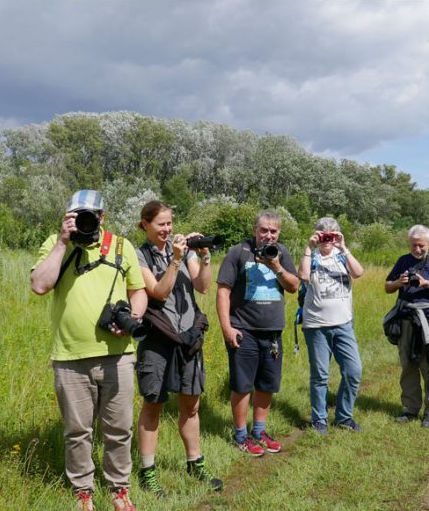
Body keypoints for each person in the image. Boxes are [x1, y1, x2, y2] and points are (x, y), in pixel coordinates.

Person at [30, 190, 147, 511]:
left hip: (119, 355)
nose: (84, 219)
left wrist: (133, 317)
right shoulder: (55, 243)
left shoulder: (122, 246)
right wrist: (61, 243)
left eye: (90, 214)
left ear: (102, 216)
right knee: (77, 431)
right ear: (67, 217)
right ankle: (83, 491)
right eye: (76, 214)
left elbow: (139, 292)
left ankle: (119, 489)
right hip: (69, 357)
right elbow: (40, 285)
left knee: (119, 429)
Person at [134, 201, 223, 497]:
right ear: (145, 224)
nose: (167, 229)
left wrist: (204, 256)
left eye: (170, 223)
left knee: (191, 404)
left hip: (188, 338)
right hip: (157, 338)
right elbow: (158, 292)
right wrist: (174, 261)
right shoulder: (139, 255)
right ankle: (148, 472)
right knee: (153, 403)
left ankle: (194, 463)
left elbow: (203, 286)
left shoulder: (182, 251)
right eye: (160, 224)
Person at [216, 210, 299, 456]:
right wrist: (227, 327)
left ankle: (259, 431)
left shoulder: (281, 253)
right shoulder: (239, 252)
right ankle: (241, 435)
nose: (268, 235)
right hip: (243, 330)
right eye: (264, 230)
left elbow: (293, 286)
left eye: (273, 231)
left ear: (279, 232)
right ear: (255, 230)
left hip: (272, 332)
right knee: (242, 386)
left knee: (267, 384)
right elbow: (222, 291)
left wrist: (276, 266)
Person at [298, 217, 365, 435]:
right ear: (317, 235)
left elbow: (358, 272)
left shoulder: (342, 257)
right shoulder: (312, 257)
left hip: (344, 324)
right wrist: (309, 247)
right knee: (320, 376)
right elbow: (303, 276)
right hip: (316, 326)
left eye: (332, 234)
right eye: (323, 234)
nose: (327, 238)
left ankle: (344, 417)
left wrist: (343, 247)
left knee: (353, 371)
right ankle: (319, 420)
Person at [384, 224, 429, 429]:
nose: (417, 249)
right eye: (414, 245)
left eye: (421, 245)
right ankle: (410, 409)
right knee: (408, 366)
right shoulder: (403, 261)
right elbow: (387, 287)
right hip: (406, 319)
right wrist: (399, 282)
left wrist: (427, 284)